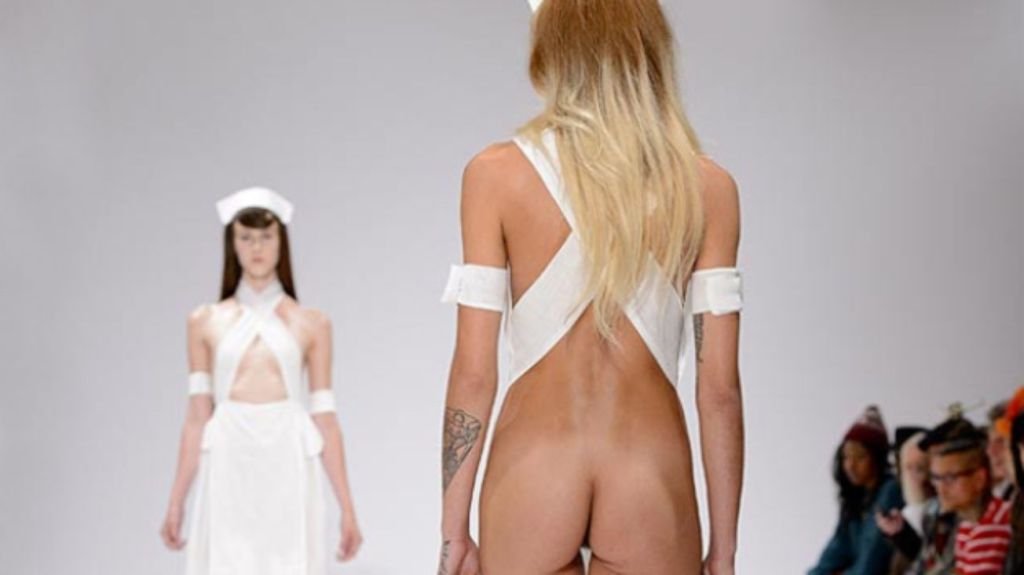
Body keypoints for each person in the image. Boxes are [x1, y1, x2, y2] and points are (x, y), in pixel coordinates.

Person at [437, 1, 744, 573]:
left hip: (533, 469)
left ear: (551, 50)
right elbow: (719, 390)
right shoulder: (708, 188)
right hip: (648, 473)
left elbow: (474, 374)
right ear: (650, 47)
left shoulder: (495, 175)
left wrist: (453, 531)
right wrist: (724, 549)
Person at [159, 187, 363, 574]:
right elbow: (197, 416)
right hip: (228, 454)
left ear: (281, 243)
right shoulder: (204, 321)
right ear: (232, 244)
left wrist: (347, 509)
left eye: (266, 237)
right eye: (246, 237)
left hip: (287, 454)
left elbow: (325, 418)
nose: (257, 248)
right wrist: (176, 502)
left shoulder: (312, 323)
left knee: (288, 559)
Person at [809, 406, 904, 574]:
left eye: (860, 457)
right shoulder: (856, 499)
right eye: (846, 457)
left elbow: (869, 564)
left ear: (877, 458)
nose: (850, 465)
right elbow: (835, 552)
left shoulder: (890, 492)